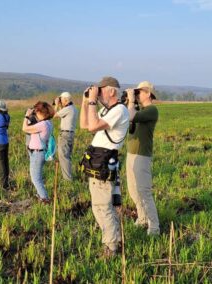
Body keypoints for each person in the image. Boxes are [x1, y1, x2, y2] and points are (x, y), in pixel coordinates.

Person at [80, 76, 129, 257]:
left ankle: (111, 246)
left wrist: (93, 100)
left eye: (100, 90)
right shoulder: (106, 110)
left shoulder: (119, 110)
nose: (98, 94)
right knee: (98, 206)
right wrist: (86, 103)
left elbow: (93, 127)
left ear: (111, 91)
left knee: (103, 206)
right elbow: (85, 124)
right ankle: (113, 237)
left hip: (104, 163)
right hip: (97, 161)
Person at [125, 81, 160, 235]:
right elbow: (128, 119)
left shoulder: (152, 110)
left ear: (148, 93)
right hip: (131, 154)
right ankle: (142, 218)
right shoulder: (140, 110)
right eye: (136, 92)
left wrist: (131, 101)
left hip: (142, 156)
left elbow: (131, 115)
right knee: (133, 191)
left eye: (139, 92)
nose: (137, 95)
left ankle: (154, 227)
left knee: (144, 191)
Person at [22, 101, 55, 203]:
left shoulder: (43, 124)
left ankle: (45, 199)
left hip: (37, 153)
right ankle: (41, 195)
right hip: (37, 152)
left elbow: (25, 128)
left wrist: (27, 116)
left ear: (41, 112)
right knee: (37, 177)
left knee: (36, 179)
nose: (35, 114)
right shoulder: (48, 123)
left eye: (36, 112)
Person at [53, 92, 78, 181]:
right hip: (70, 134)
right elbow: (62, 114)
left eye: (61, 99)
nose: (60, 101)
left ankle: (67, 179)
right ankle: (68, 176)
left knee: (63, 157)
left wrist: (56, 105)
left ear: (66, 99)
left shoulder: (68, 109)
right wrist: (60, 106)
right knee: (67, 156)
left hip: (65, 135)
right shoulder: (73, 108)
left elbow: (54, 115)